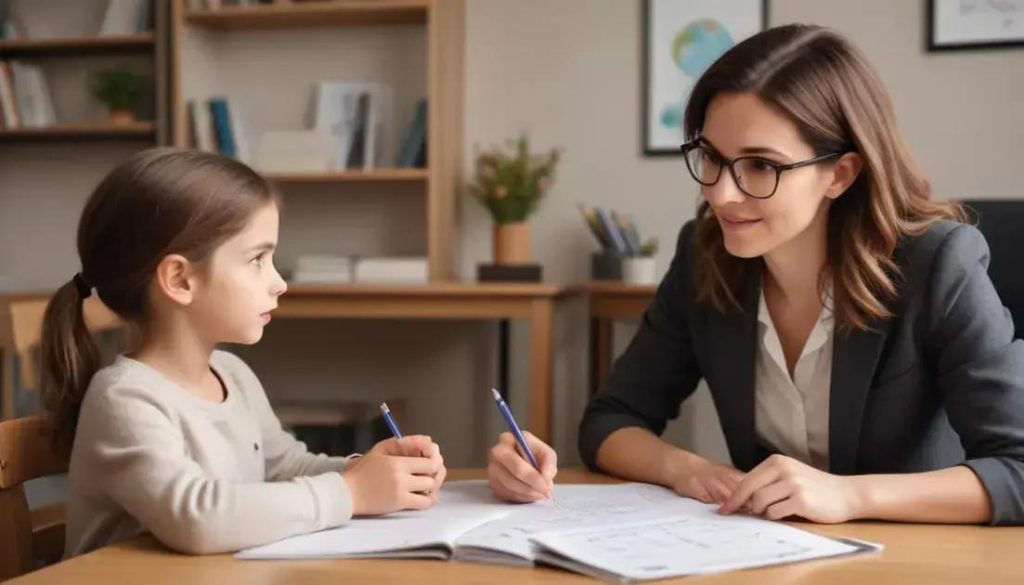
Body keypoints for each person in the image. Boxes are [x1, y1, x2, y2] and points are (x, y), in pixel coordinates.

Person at [489, 24, 1024, 526]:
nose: (721, 194)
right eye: (712, 158)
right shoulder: (705, 258)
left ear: (840, 173)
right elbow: (610, 421)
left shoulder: (937, 263)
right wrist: (687, 470)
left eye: (761, 166)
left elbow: (1017, 467)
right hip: (769, 556)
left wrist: (849, 494)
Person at [42, 148, 447, 557]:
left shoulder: (231, 374)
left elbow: (284, 468)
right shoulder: (125, 399)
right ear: (180, 280)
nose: (279, 283)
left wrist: (368, 472)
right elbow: (196, 518)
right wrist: (352, 493)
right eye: (257, 259)